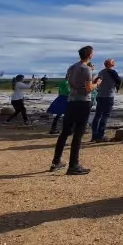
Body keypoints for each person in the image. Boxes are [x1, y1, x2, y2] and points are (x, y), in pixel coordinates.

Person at [50, 46, 101, 176]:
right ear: (90, 54)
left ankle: (56, 161)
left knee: (65, 132)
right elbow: (89, 88)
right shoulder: (86, 69)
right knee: (78, 134)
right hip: (82, 102)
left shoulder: (72, 67)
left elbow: (71, 82)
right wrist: (97, 83)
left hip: (71, 101)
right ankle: (73, 165)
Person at [91, 58, 122, 142]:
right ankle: (100, 136)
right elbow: (119, 81)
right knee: (105, 115)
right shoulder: (113, 72)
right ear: (110, 64)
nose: (114, 62)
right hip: (109, 96)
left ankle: (94, 135)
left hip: (100, 95)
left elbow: (97, 80)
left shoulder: (101, 72)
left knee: (97, 115)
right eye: (113, 61)